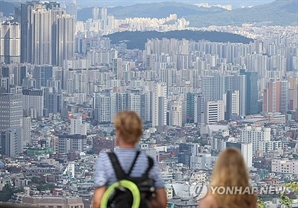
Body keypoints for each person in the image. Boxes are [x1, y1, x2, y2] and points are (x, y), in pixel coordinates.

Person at [93, 110, 167, 208]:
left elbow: (98, 202)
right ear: (139, 134)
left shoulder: (105, 160)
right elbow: (162, 202)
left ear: (118, 132)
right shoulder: (149, 163)